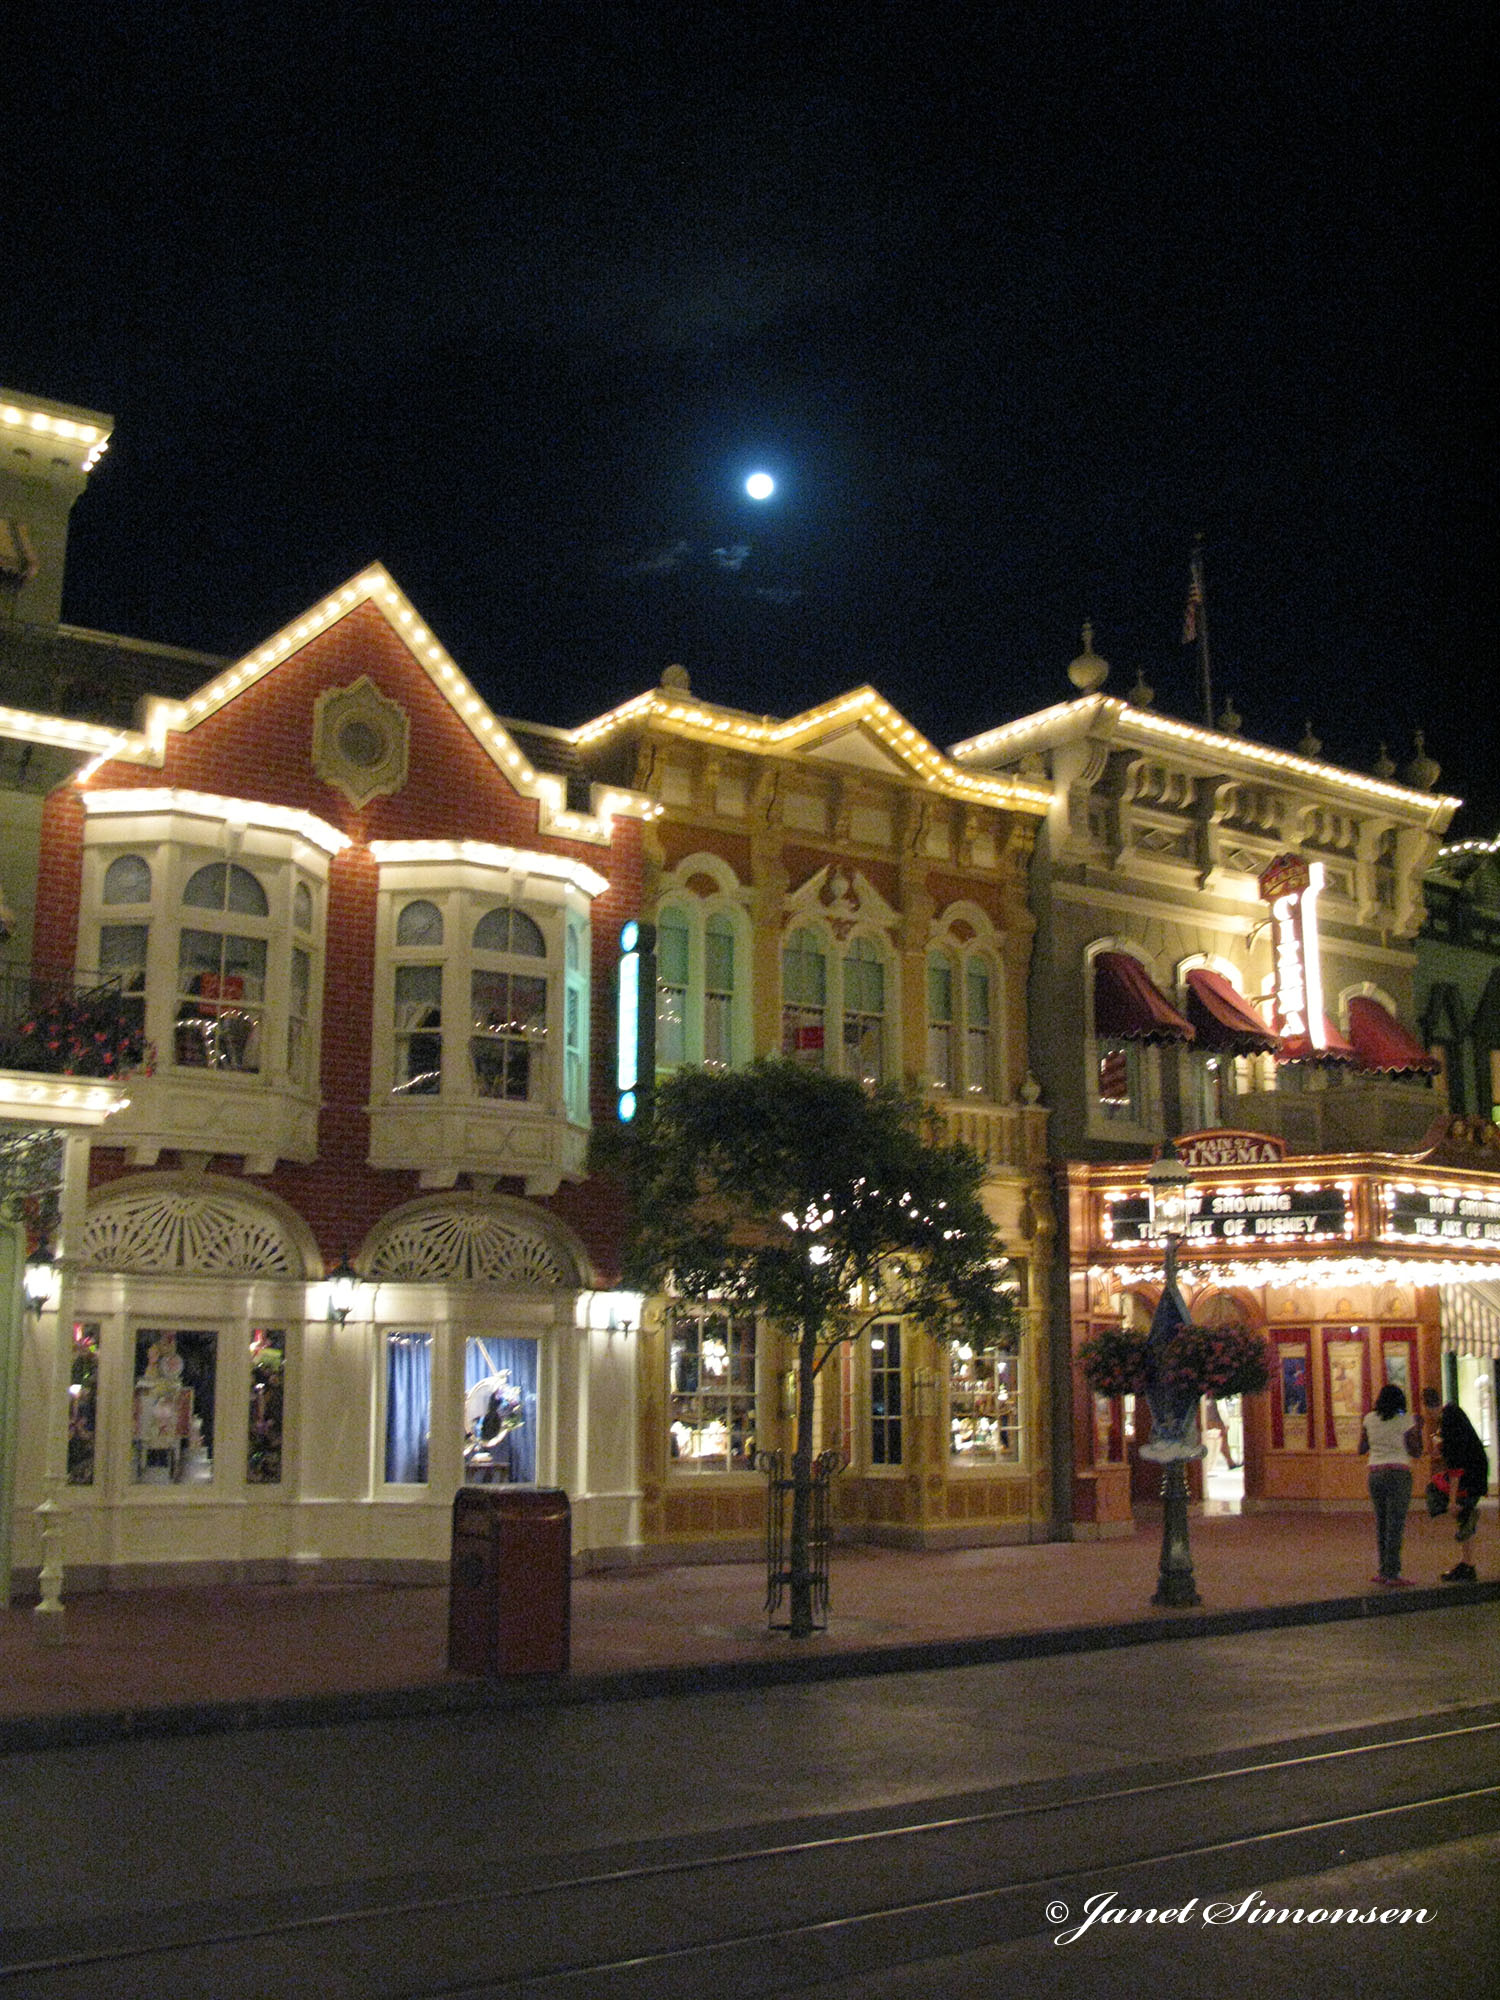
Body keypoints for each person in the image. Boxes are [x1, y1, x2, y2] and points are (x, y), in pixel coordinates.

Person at [1358, 1383, 1421, 1586]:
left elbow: (1361, 1448)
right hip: (1398, 1473)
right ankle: (1393, 1573)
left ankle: (1383, 1570)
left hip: (1375, 1473)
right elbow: (1416, 1451)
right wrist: (1418, 1429)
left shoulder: (1368, 1419)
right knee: (1395, 1523)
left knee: (1382, 1522)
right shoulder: (1405, 1420)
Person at [1434, 1402, 1489, 1582]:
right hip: (1476, 1479)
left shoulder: (1453, 1437)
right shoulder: (1468, 1437)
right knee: (1465, 1518)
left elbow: (1455, 1470)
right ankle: (1467, 1563)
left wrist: (1452, 1500)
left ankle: (1468, 1564)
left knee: (1463, 1518)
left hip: (1467, 1483)